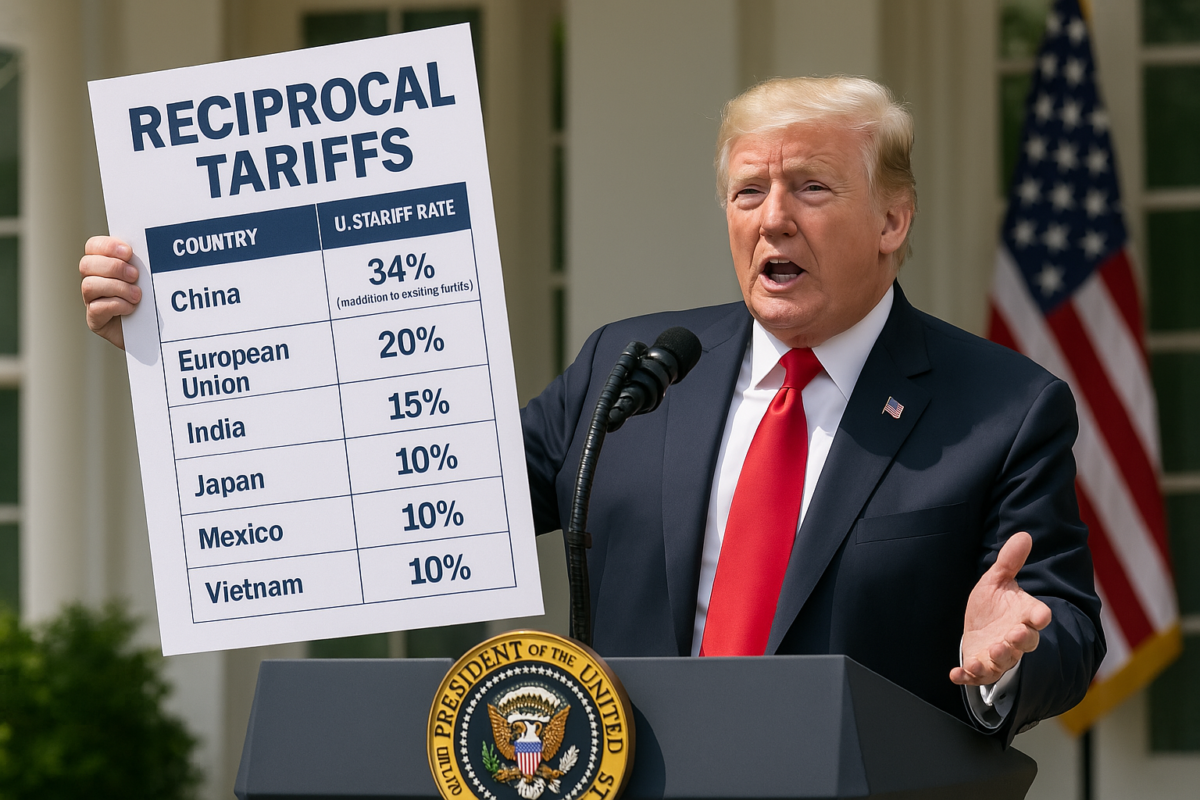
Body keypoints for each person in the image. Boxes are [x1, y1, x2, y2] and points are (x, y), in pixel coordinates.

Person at [81, 76, 1103, 744]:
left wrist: (1012, 652)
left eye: (811, 187)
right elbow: (410, 487)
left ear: (893, 217)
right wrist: (185, 345)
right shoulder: (636, 365)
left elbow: (1062, 629)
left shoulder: (1003, 408)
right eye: (748, 192)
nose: (772, 218)